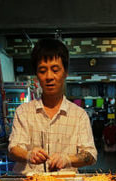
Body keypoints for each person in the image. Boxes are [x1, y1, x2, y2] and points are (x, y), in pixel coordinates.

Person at [8, 38, 97, 174]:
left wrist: (68, 159)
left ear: (65, 73)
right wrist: (28, 155)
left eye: (55, 70)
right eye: (43, 71)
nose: (49, 76)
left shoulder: (79, 115)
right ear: (37, 75)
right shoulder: (23, 112)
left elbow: (90, 155)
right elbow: (13, 149)